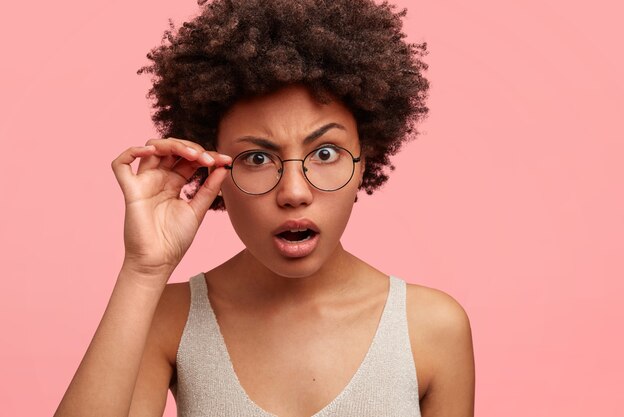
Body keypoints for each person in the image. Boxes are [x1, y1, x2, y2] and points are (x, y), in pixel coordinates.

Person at [55, 0, 475, 416]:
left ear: (363, 160)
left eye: (325, 153)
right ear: (213, 171)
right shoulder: (168, 318)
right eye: (257, 159)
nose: (294, 192)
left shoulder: (431, 328)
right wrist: (143, 269)